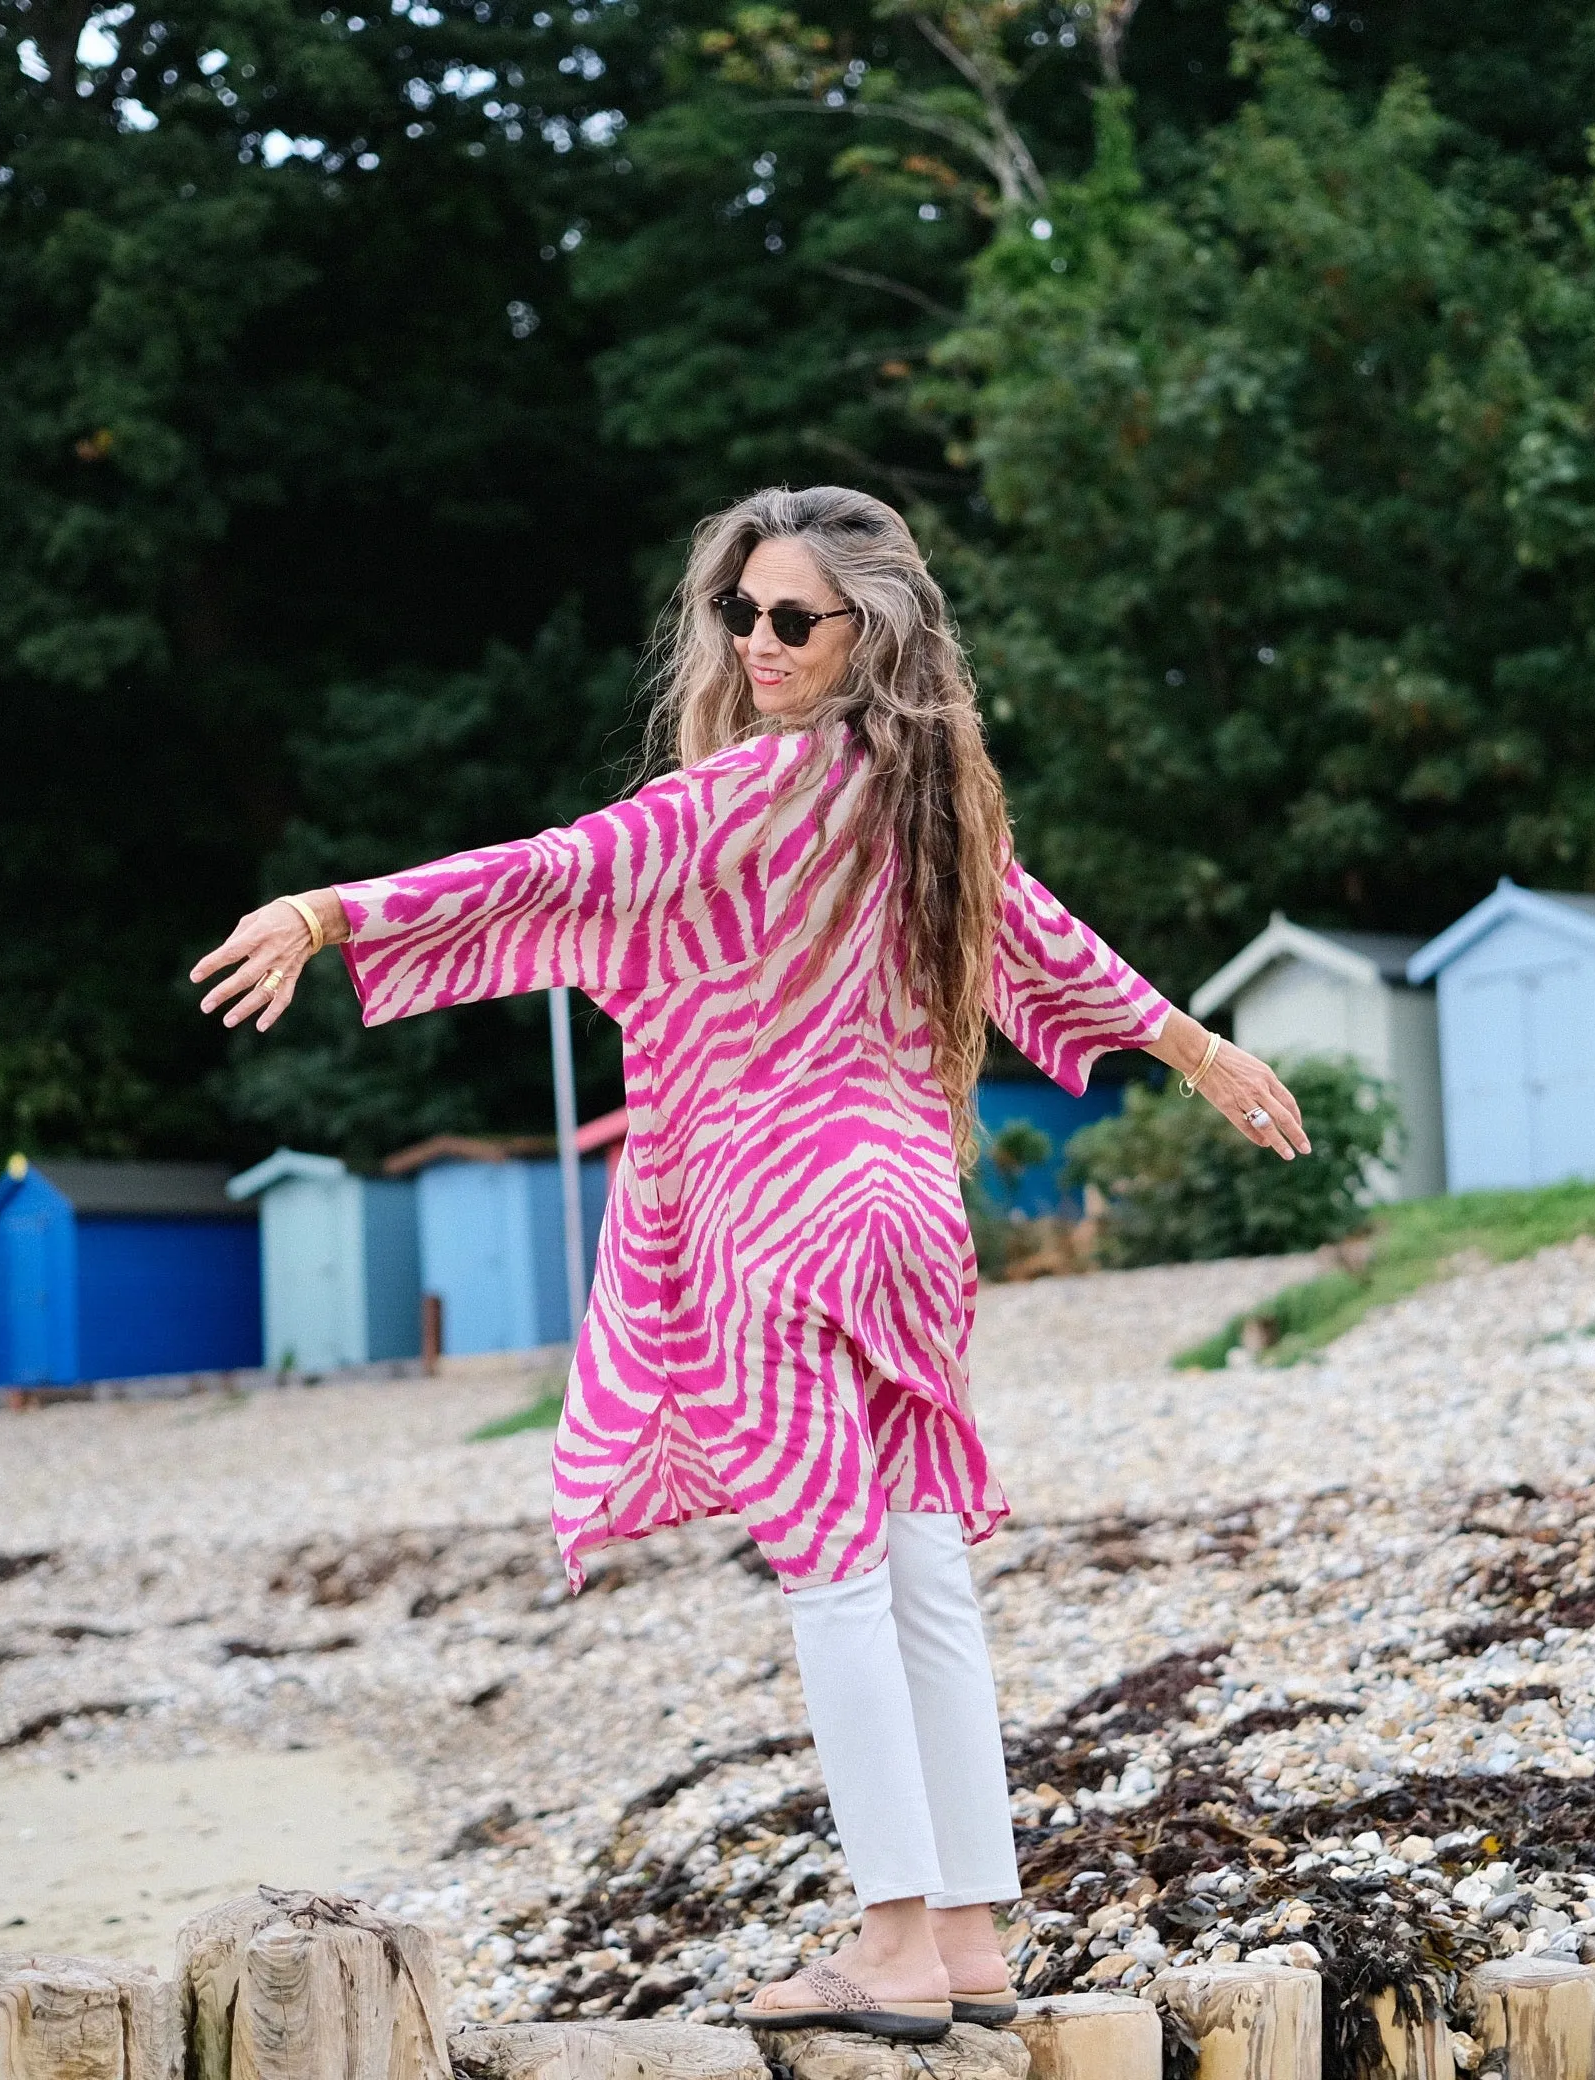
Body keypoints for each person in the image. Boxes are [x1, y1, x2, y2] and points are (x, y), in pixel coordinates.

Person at [192, 486, 1308, 2042]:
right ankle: (972, 1936)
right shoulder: (936, 800)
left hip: (781, 1225)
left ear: (871, 635)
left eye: (797, 619)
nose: (761, 642)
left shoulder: (750, 794)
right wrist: (1195, 1048)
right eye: (743, 612)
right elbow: (1041, 942)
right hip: (913, 1222)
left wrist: (329, 912)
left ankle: (895, 1938)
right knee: (923, 1579)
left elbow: (555, 870)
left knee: (836, 1585)